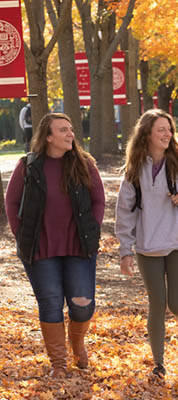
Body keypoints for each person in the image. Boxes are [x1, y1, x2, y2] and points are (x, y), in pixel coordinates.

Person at [5, 113, 105, 378]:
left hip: (79, 245)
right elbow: (12, 202)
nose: (70, 134)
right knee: (50, 304)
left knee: (82, 304)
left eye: (71, 129)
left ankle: (77, 343)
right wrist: (21, 234)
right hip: (41, 248)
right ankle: (59, 365)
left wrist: (93, 229)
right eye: (63, 130)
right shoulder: (29, 165)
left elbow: (98, 200)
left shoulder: (84, 164)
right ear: (48, 137)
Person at [115, 109, 178, 379]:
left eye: (169, 129)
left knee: (177, 304)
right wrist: (125, 251)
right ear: (147, 133)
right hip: (147, 246)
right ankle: (159, 364)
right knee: (156, 304)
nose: (167, 134)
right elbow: (125, 212)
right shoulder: (134, 169)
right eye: (161, 129)